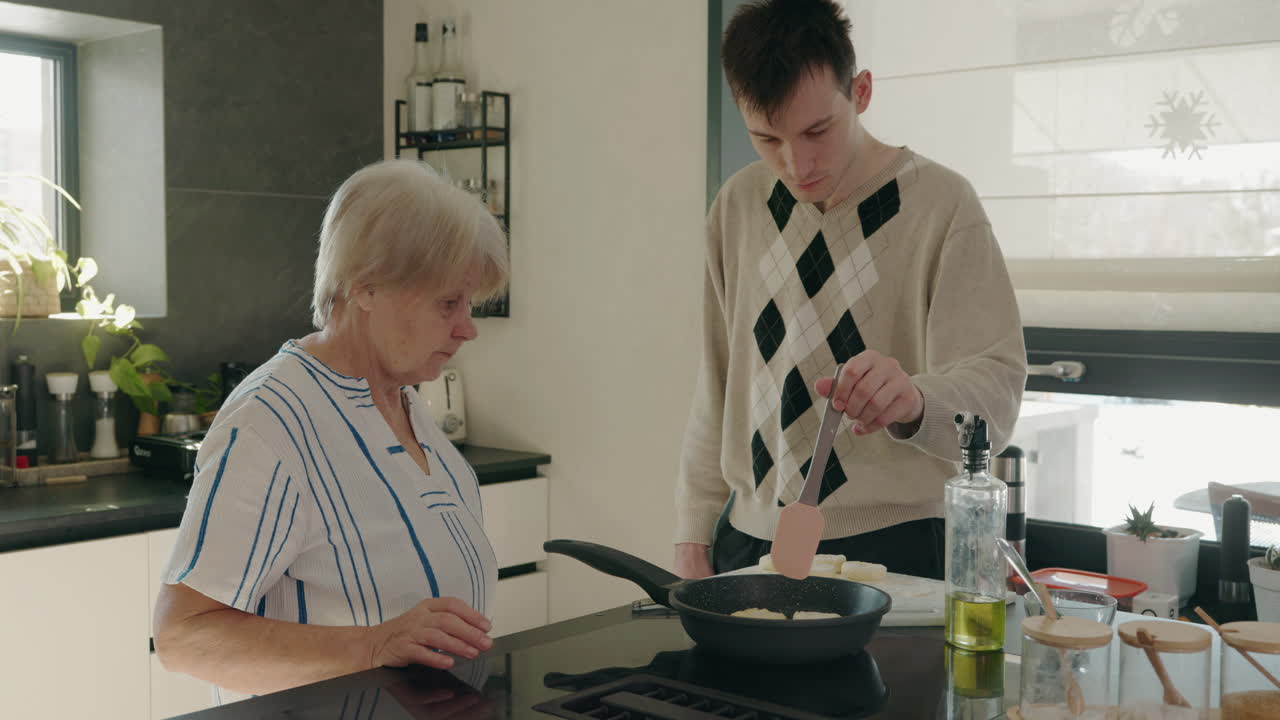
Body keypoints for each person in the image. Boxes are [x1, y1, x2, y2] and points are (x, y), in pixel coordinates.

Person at [674, 0, 1027, 581]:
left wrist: (915, 400)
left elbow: (999, 392)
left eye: (817, 131)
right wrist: (693, 527)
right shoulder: (737, 206)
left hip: (897, 549)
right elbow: (717, 381)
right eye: (766, 138)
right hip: (748, 540)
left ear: (861, 92)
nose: (797, 163)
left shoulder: (942, 206)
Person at [153, 159, 510, 702]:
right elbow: (183, 637)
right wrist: (372, 647)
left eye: (468, 303)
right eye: (448, 303)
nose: (468, 328)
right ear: (366, 287)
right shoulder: (271, 421)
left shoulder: (405, 403)